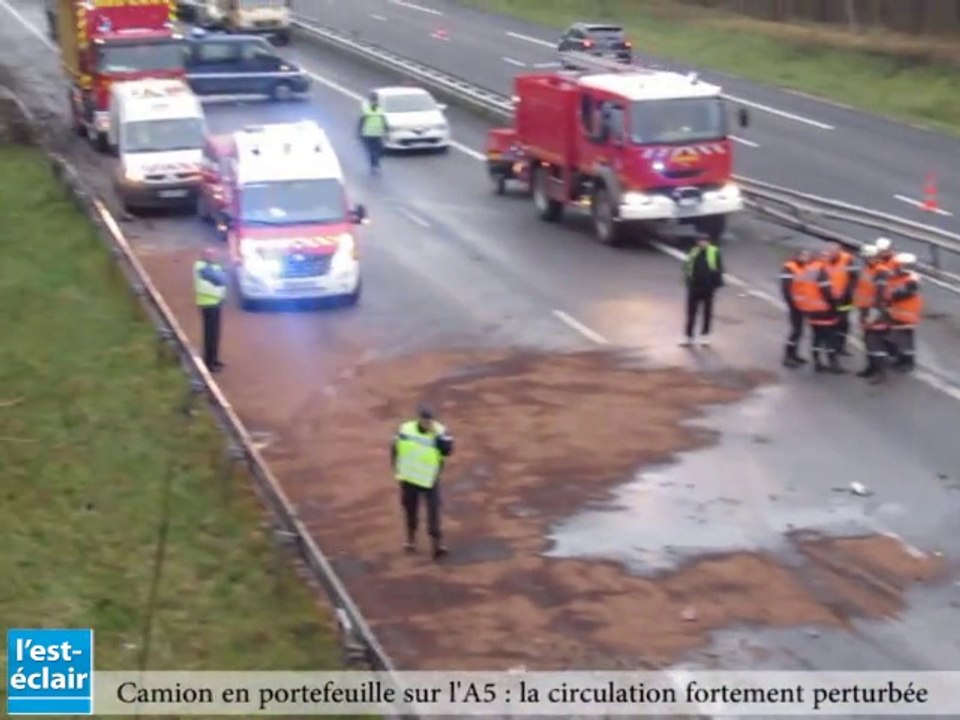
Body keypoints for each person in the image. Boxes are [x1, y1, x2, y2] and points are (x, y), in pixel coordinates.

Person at [390, 406, 454, 559]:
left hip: (429, 479)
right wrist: (397, 469)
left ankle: (437, 545)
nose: (427, 423)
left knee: (433, 511)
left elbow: (448, 450)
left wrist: (437, 438)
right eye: (424, 420)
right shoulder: (405, 429)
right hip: (409, 478)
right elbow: (394, 449)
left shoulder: (440, 431)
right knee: (410, 510)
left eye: (429, 420)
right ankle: (411, 540)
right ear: (419, 419)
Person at [791, 249, 844, 374]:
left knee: (816, 337)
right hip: (824, 310)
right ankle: (833, 365)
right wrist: (835, 306)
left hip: (811, 310)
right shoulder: (821, 271)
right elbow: (826, 291)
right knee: (830, 338)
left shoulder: (806, 270)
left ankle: (817, 363)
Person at [681, 235, 724, 347]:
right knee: (691, 313)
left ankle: (704, 336)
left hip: (708, 288)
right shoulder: (693, 252)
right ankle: (688, 337)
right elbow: (687, 267)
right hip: (694, 287)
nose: (702, 243)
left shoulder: (714, 252)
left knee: (707, 313)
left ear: (708, 242)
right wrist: (688, 282)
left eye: (705, 241)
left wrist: (714, 286)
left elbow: (719, 269)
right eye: (700, 241)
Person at [884, 252, 923, 372]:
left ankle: (908, 362)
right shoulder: (897, 277)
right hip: (897, 312)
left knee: (906, 339)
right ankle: (900, 359)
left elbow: (902, 293)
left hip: (908, 314)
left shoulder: (912, 279)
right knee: (897, 337)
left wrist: (889, 297)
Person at [194, 247, 228, 373]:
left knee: (215, 334)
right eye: (210, 255)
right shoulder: (201, 267)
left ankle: (214, 359)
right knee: (210, 335)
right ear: (204, 255)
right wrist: (224, 276)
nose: (213, 257)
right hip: (207, 304)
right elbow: (220, 279)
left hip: (216, 302)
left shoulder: (213, 266)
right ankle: (208, 363)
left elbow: (224, 273)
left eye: (214, 254)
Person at [822, 242, 859, 356]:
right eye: (830, 252)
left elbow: (854, 277)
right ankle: (830, 344)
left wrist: (849, 292)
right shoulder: (823, 260)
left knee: (843, 321)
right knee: (830, 321)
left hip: (845, 298)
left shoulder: (848, 260)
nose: (831, 255)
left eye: (834, 252)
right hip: (828, 297)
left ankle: (840, 345)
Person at [779, 248, 811, 368]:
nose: (806, 258)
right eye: (803, 256)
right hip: (795, 306)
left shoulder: (806, 268)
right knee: (796, 331)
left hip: (804, 305)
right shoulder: (789, 268)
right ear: (797, 256)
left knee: (800, 331)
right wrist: (792, 303)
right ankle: (788, 356)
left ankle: (794, 354)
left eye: (807, 256)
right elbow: (786, 289)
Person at [358, 96, 387, 174]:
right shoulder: (367, 111)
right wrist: (360, 132)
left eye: (375, 101)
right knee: (372, 151)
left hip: (377, 133)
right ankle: (375, 165)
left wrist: (385, 130)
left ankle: (375, 163)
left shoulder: (380, 110)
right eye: (373, 101)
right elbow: (362, 121)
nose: (374, 102)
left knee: (380, 150)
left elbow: (384, 121)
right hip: (368, 134)